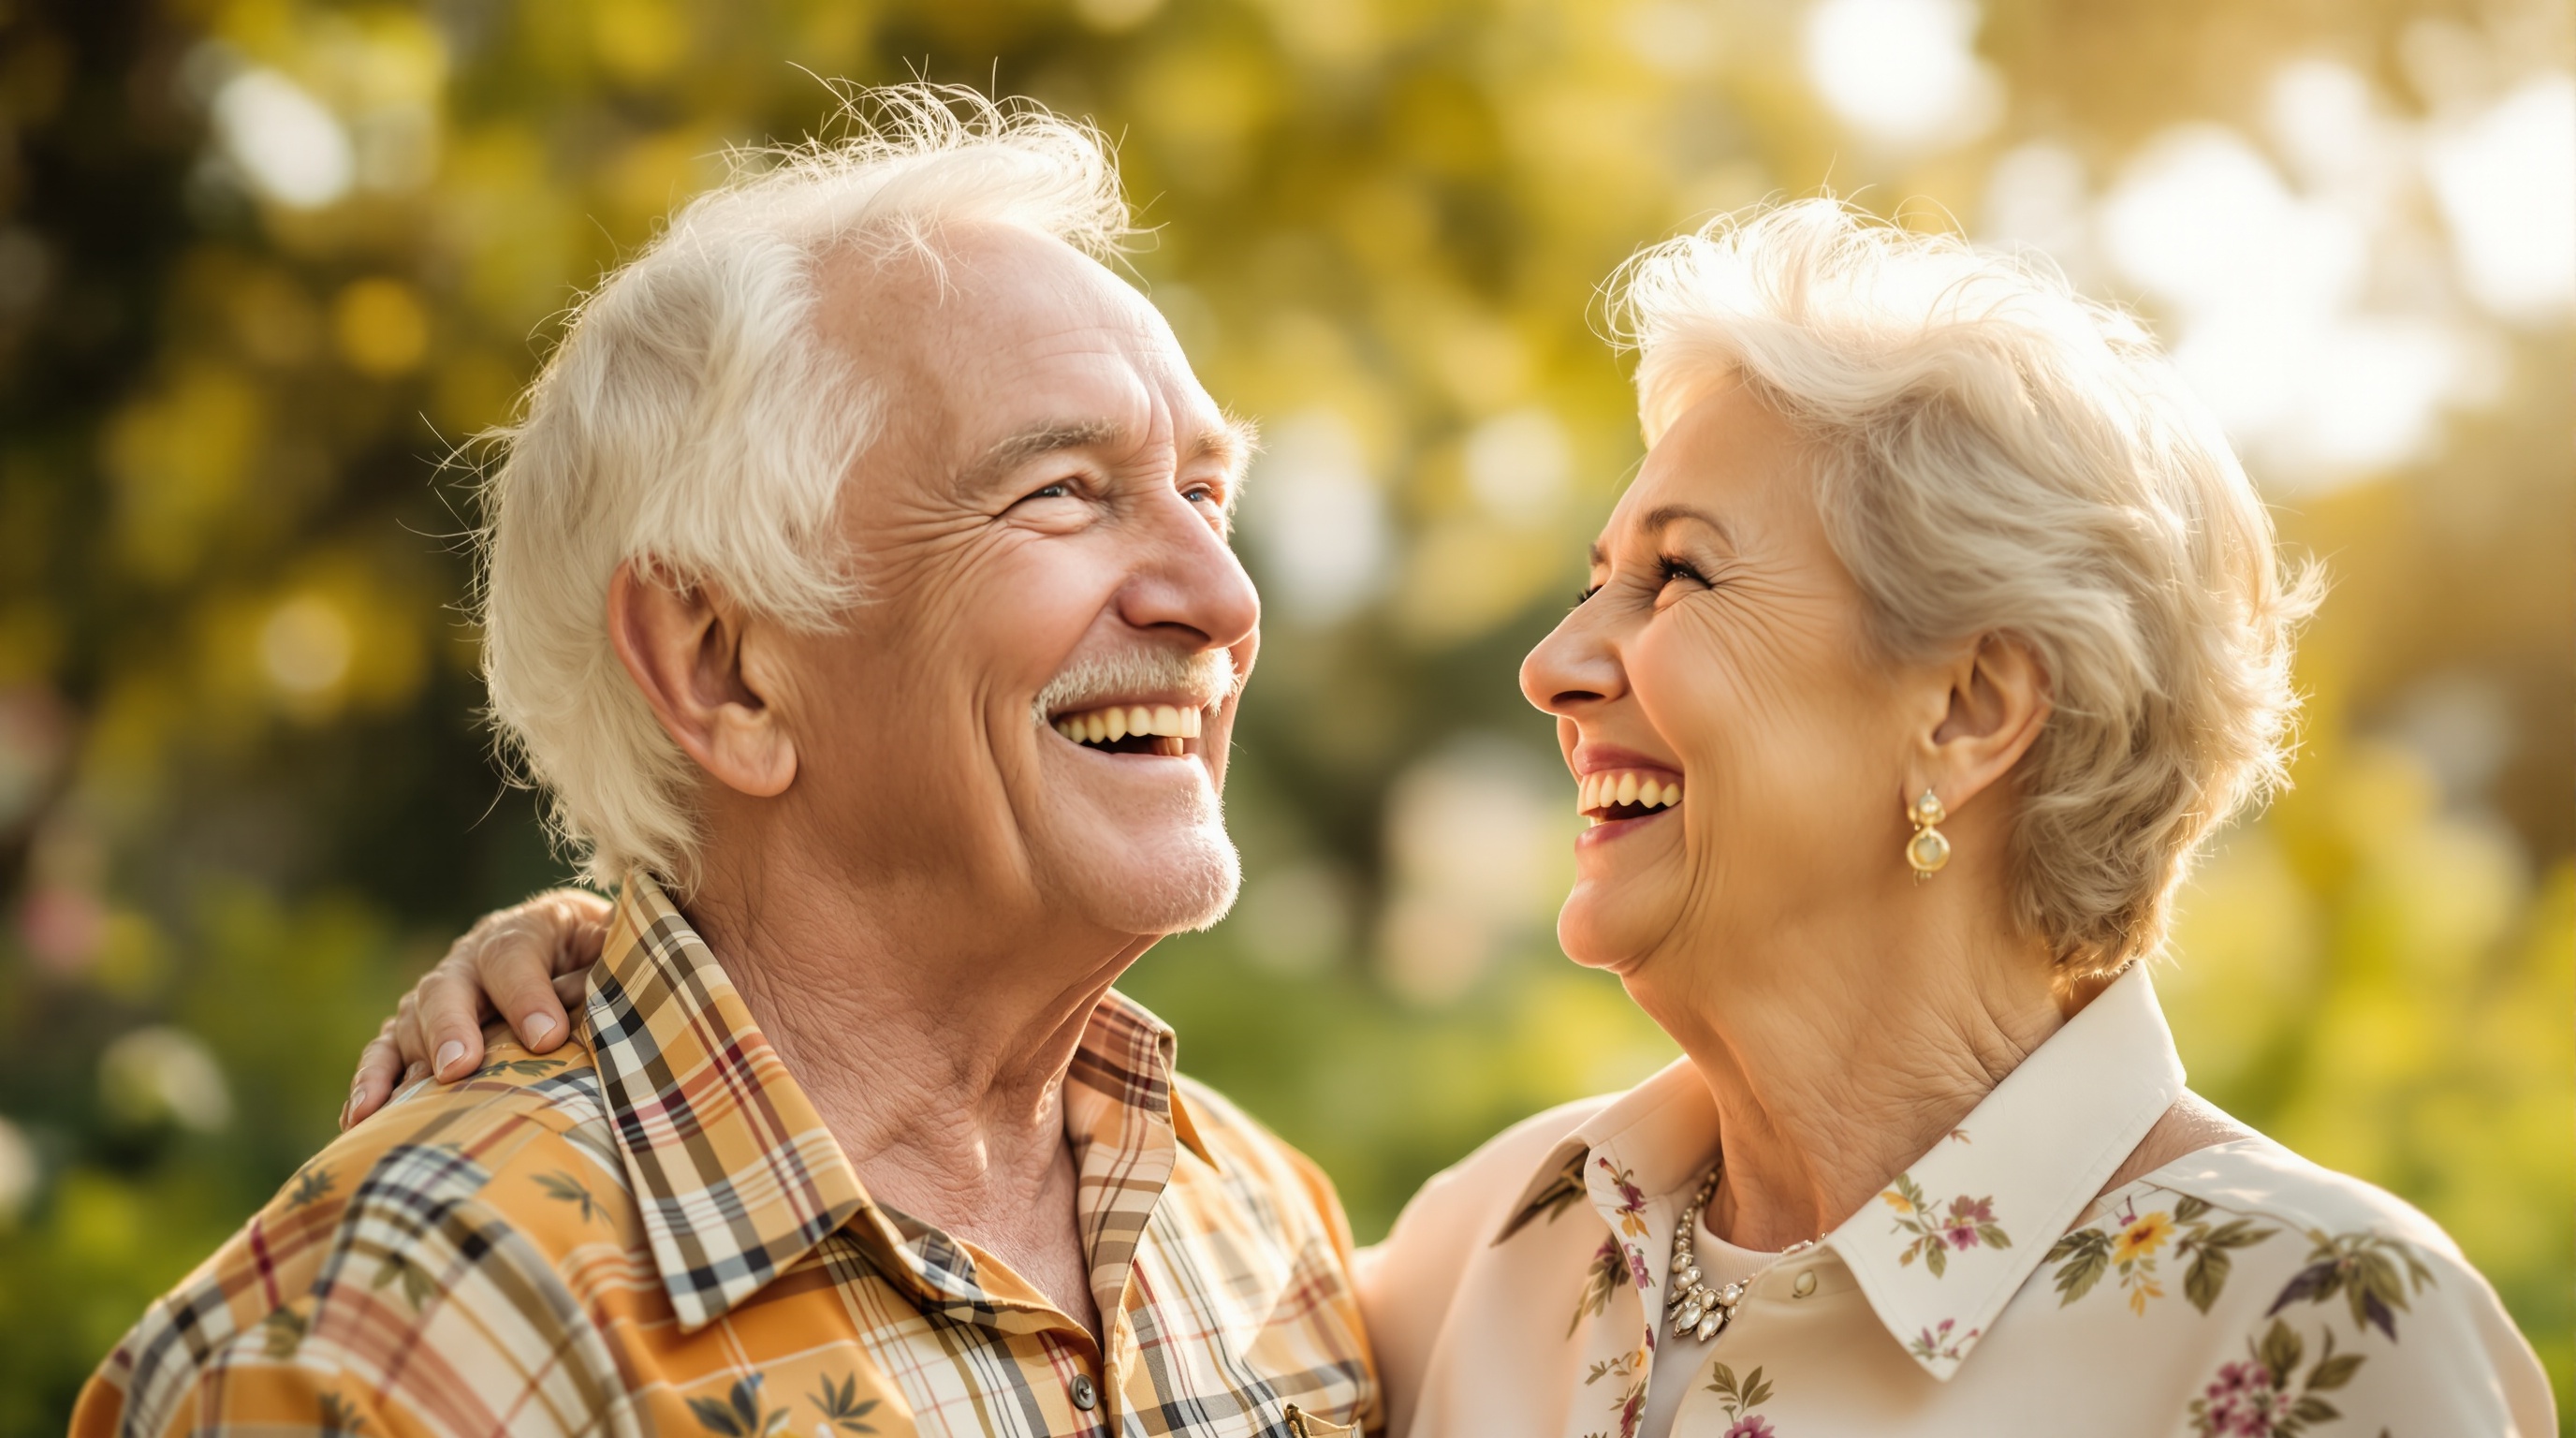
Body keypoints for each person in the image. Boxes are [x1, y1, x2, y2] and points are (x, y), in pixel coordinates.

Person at [356, 198, 2558, 1436]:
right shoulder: (1491, 1262)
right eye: (1591, 572)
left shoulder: (2322, 1342)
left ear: (1967, 710)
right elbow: (795, 1016)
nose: (1554, 657)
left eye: (1673, 576)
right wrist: (635, 935)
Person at [72, 90, 1375, 1438]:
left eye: (1208, 493)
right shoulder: (384, 1351)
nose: (1222, 598)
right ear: (723, 668)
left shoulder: (1271, 1241)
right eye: (1062, 491)